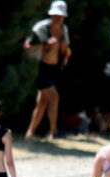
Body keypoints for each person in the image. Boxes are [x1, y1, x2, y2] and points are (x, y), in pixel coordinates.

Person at [24, 1, 72, 140]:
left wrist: (65, 51)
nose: (58, 18)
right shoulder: (41, 28)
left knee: (42, 102)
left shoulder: (64, 29)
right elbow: (28, 46)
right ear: (51, 14)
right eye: (56, 15)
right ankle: (53, 132)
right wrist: (45, 44)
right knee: (54, 97)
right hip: (40, 68)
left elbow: (65, 50)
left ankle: (30, 133)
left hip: (54, 69)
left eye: (60, 16)